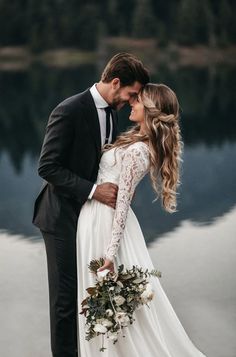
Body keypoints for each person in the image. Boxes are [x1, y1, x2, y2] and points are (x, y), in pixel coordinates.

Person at [32, 53, 150, 357]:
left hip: (90, 219)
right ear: (115, 82)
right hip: (59, 216)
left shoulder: (111, 112)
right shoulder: (69, 110)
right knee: (64, 300)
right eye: (132, 93)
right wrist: (95, 191)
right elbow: (47, 167)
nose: (131, 101)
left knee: (88, 292)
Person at [77, 83, 207, 356]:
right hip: (95, 216)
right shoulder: (136, 141)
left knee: (108, 298)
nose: (133, 102)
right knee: (105, 301)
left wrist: (110, 254)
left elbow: (122, 203)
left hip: (106, 223)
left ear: (150, 109)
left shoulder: (138, 150)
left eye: (138, 100)